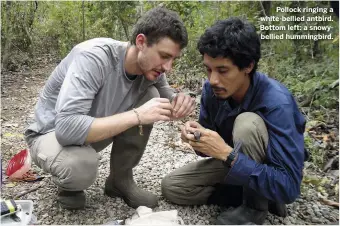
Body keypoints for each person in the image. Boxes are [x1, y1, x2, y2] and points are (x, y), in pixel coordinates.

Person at [24, 7, 195, 210]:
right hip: (50, 133)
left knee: (152, 95)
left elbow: (165, 92)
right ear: (141, 42)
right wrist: (137, 115)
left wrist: (179, 101)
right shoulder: (93, 57)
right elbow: (66, 129)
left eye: (173, 59)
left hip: (90, 131)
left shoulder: (152, 67)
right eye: (164, 56)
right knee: (80, 167)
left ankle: (119, 181)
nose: (168, 67)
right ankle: (69, 185)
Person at [161, 17, 307, 225]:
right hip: (233, 160)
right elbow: (208, 149)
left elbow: (290, 187)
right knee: (173, 187)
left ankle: (254, 207)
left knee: (247, 123)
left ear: (248, 66)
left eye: (222, 70)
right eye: (208, 69)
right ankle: (261, 195)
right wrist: (197, 138)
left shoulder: (276, 102)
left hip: (264, 165)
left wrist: (225, 154)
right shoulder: (212, 91)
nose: (212, 80)